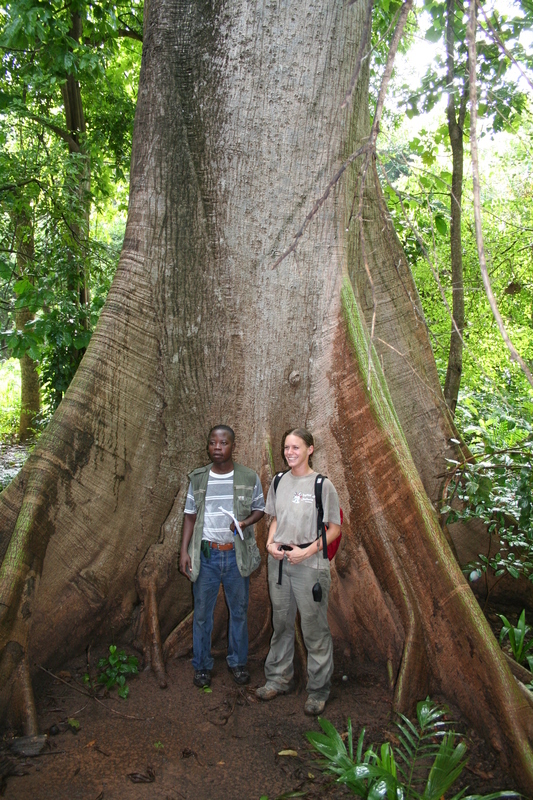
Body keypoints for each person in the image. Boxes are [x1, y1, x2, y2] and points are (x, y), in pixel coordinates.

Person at [256, 428, 341, 716]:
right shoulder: (279, 481)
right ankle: (278, 679)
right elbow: (276, 518)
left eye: (296, 447)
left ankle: (318, 690)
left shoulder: (322, 485)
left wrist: (307, 551)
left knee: (314, 628)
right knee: (280, 624)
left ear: (310, 449)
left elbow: (335, 529)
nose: (290, 452)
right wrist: (269, 544)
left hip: (310, 564)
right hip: (279, 561)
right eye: (286, 448)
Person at [180, 425, 265, 688]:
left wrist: (244, 522)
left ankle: (238, 663)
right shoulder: (198, 479)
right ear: (207, 446)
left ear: (232, 446)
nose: (218, 447)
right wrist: (183, 551)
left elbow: (260, 508)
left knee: (238, 611)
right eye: (213, 443)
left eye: (223, 443)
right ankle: (202, 665)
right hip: (206, 555)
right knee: (203, 613)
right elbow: (190, 516)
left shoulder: (248, 477)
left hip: (235, 556)